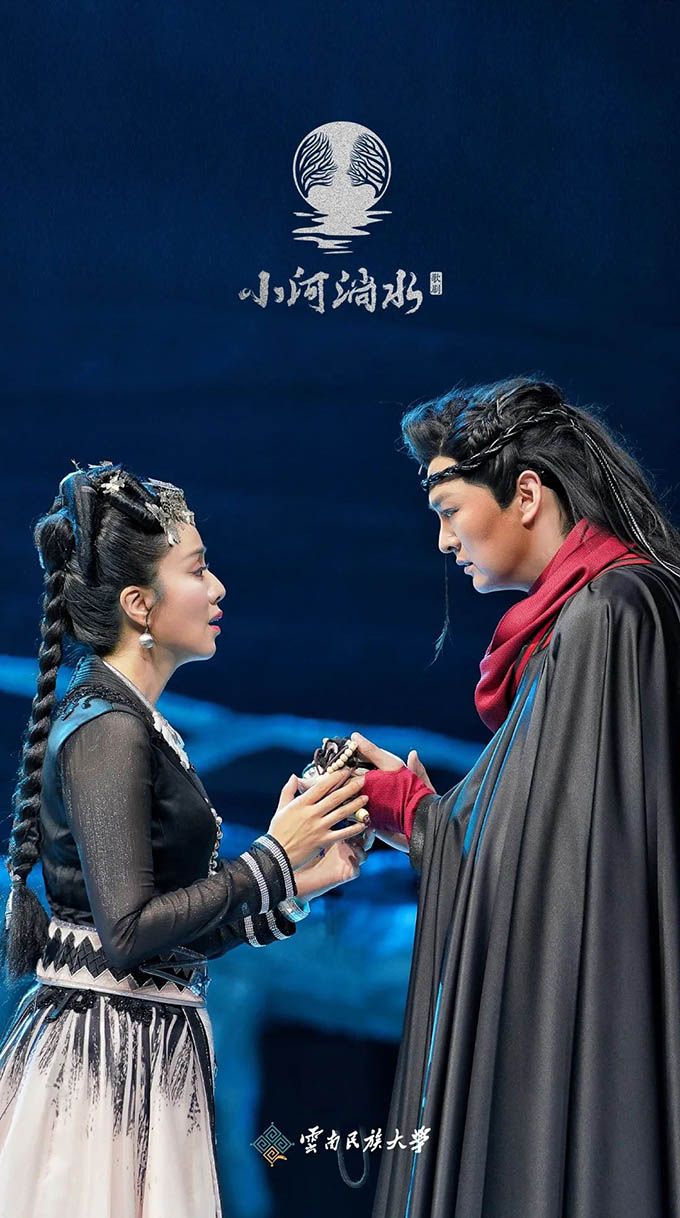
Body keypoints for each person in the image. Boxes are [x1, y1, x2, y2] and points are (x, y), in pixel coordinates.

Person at [0, 460, 371, 1218]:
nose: (219, 588)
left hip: (141, 1051)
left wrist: (297, 880)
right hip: (105, 1069)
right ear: (140, 604)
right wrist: (269, 858)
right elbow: (129, 934)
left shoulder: (136, 722)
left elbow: (167, 944)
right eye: (198, 570)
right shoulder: (108, 728)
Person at [355, 377, 680, 1218]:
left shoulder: (610, 614)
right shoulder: (593, 617)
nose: (442, 541)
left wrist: (414, 814)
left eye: (448, 510)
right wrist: (423, 811)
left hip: (604, 1022)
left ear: (526, 494)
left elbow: (575, 868)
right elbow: (547, 841)